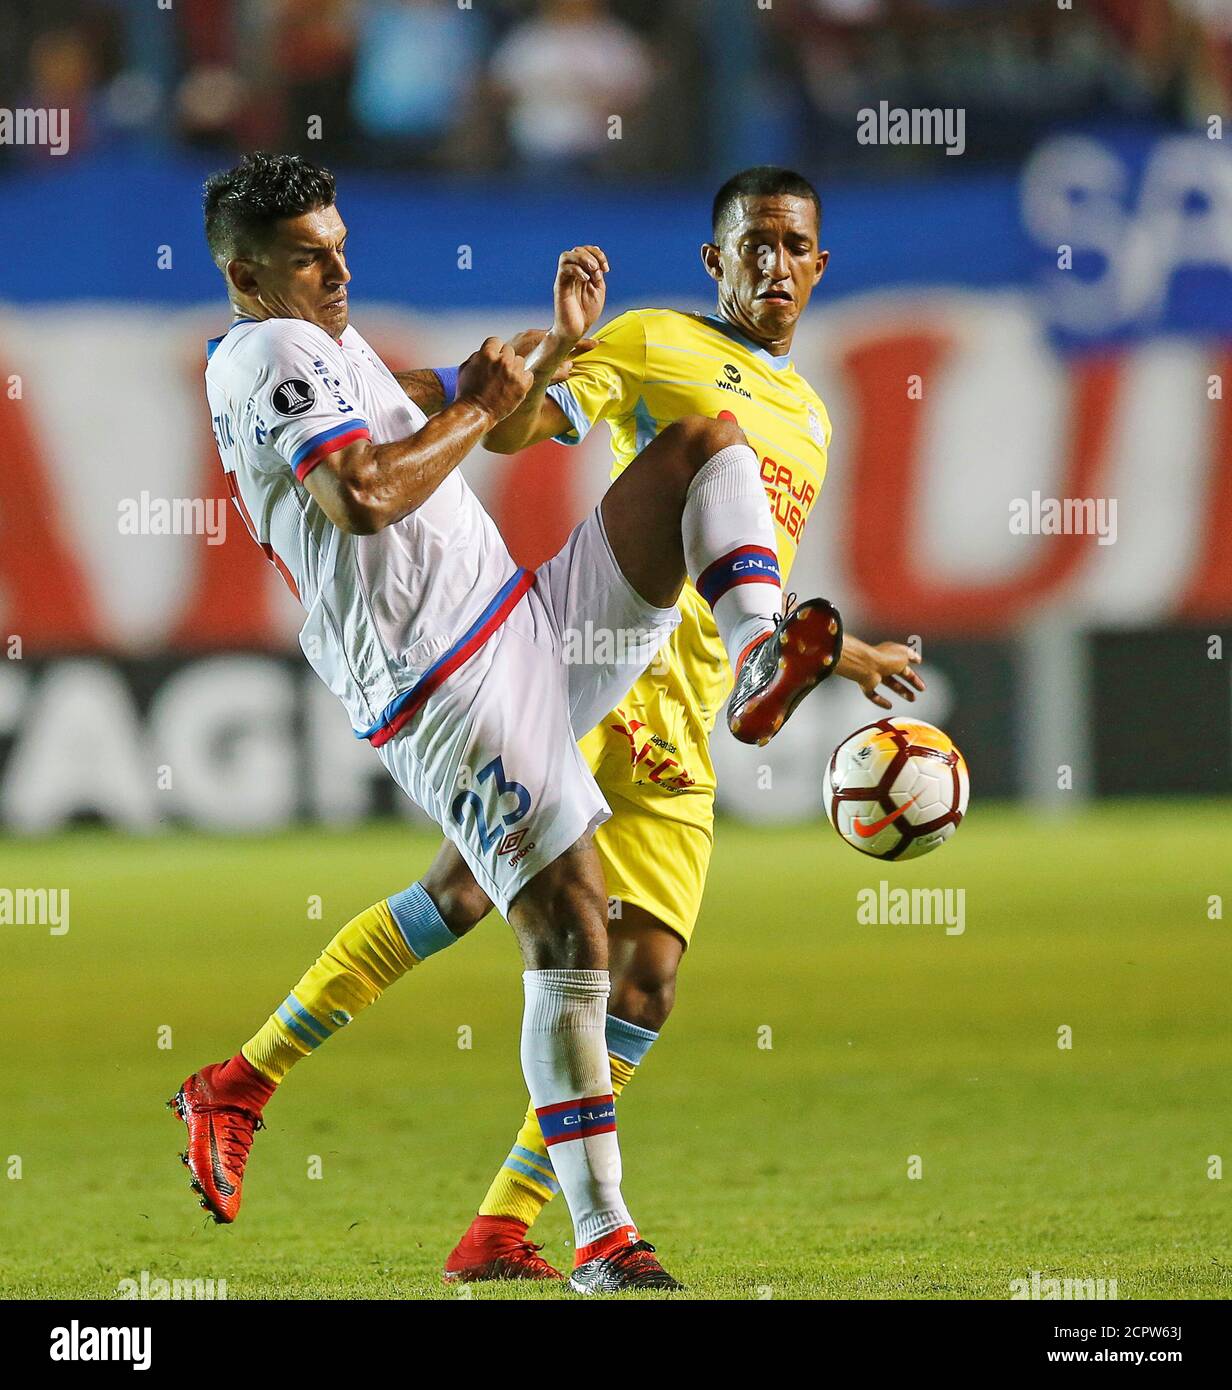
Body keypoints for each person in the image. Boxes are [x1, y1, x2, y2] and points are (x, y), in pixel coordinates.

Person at [171, 152, 842, 1293]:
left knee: (700, 448)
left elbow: (411, 400)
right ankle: (597, 1237)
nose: (337, 272)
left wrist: (543, 346)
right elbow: (365, 492)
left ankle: (755, 650)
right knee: (574, 934)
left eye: (340, 247)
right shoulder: (265, 352)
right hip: (438, 681)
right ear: (244, 275)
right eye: (308, 258)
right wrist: (490, 400)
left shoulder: (317, 335)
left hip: (519, 619)